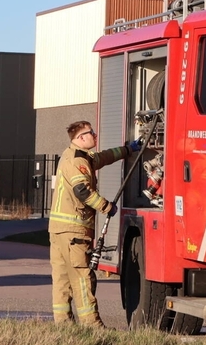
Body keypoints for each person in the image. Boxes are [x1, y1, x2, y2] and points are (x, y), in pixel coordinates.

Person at [49, 120, 141, 327]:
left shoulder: (78, 156)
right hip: (73, 230)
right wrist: (107, 207)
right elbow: (82, 191)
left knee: (62, 279)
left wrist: (128, 149)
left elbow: (103, 157)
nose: (95, 135)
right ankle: (92, 325)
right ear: (80, 138)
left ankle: (63, 324)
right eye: (91, 133)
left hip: (59, 231)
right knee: (83, 276)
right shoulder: (77, 161)